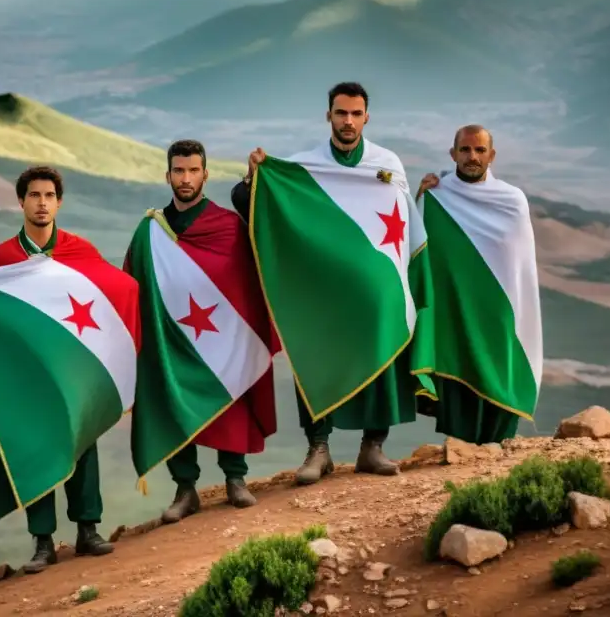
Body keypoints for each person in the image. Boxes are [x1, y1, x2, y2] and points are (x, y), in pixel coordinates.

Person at [230, 82, 414, 485]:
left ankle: (373, 446)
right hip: (321, 293)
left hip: (372, 293)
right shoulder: (304, 166)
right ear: (328, 115)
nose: (348, 121)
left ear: (367, 117)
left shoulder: (387, 165)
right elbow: (248, 203)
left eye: (355, 113)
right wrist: (256, 178)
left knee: (382, 346)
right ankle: (319, 448)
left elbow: (404, 226)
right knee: (311, 352)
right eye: (340, 112)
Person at [125, 139, 277, 524]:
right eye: (179, 170)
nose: (186, 178)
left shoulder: (229, 227)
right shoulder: (149, 231)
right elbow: (130, 285)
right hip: (169, 341)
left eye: (193, 171)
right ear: (168, 175)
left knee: (233, 395)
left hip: (221, 340)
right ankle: (185, 489)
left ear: (205, 175)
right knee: (172, 402)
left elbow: (251, 284)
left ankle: (235, 479)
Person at [0, 166, 114, 574]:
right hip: (25, 380)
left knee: (82, 444)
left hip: (72, 373)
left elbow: (109, 297)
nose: (41, 202)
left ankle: (88, 529)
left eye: (49, 195)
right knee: (36, 451)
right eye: (33, 195)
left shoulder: (81, 251)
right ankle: (42, 542)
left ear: (59, 201)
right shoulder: (0, 259)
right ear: (20, 202)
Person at [416, 125, 543, 444]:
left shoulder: (512, 200)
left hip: (500, 306)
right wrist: (419, 195)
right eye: (465, 150)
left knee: (500, 369)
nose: (472, 157)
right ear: (453, 154)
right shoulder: (436, 194)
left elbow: (518, 263)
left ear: (492, 155)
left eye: (479, 150)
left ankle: (498, 446)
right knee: (458, 363)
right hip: (455, 308)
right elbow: (416, 241)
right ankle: (461, 448)